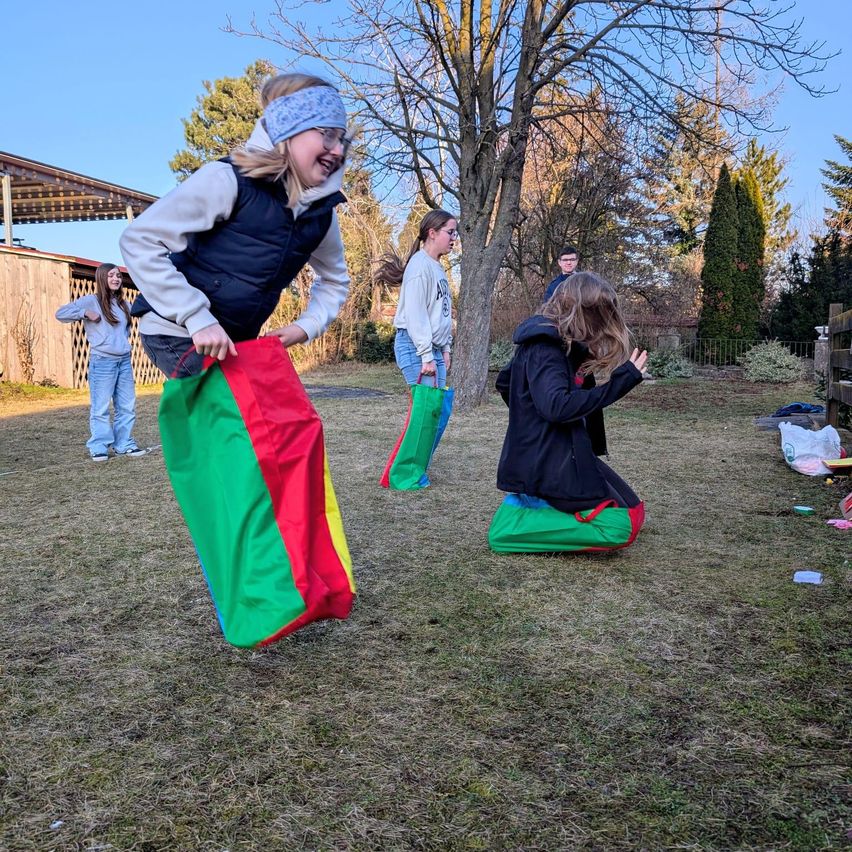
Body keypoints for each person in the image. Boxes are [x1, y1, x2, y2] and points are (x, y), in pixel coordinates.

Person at [119, 73, 352, 378]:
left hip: (232, 340)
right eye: (327, 135)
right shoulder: (228, 180)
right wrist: (196, 316)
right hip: (176, 329)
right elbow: (140, 240)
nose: (337, 151)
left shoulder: (321, 213)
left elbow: (335, 280)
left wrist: (304, 327)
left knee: (270, 421)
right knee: (236, 424)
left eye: (342, 139)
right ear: (288, 128)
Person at [495, 271, 647, 513]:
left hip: (563, 450)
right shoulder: (544, 345)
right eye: (600, 316)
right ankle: (523, 513)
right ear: (584, 312)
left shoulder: (565, 345)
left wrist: (530, 419)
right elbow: (556, 406)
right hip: (545, 463)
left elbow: (505, 382)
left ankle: (536, 503)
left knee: (633, 509)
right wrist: (621, 382)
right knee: (621, 520)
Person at [55, 264, 147, 462]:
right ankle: (99, 446)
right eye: (111, 275)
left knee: (126, 406)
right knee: (101, 407)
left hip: (123, 361)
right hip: (102, 361)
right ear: (102, 278)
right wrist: (85, 313)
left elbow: (137, 319)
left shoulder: (123, 304)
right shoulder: (91, 301)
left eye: (118, 276)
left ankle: (124, 444)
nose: (116, 279)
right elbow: (60, 314)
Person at [375, 210, 457, 387]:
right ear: (432, 233)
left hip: (433, 348)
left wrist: (445, 349)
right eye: (450, 232)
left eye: (455, 233)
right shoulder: (420, 265)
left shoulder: (437, 268)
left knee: (436, 412)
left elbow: (440, 314)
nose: (454, 238)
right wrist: (426, 356)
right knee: (426, 413)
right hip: (416, 347)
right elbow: (416, 315)